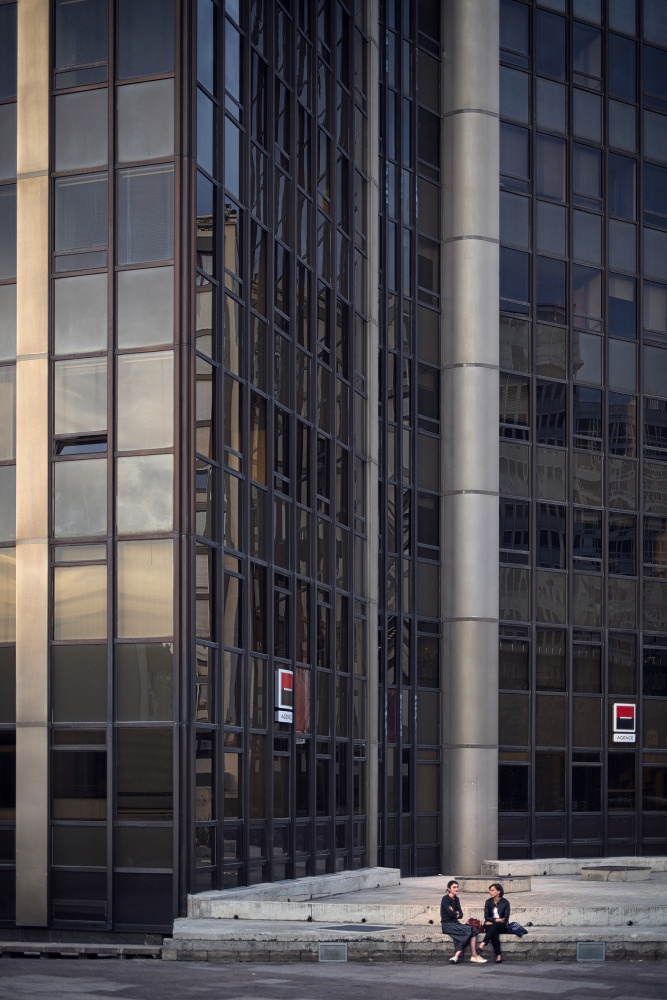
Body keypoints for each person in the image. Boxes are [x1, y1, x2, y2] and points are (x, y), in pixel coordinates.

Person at [440, 879, 487, 964]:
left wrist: (455, 913)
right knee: (470, 930)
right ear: (449, 889)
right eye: (454, 887)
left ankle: (467, 956)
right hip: (447, 924)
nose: (456, 889)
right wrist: (455, 913)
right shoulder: (445, 899)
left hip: (455, 923)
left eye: (457, 887)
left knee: (473, 929)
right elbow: (451, 914)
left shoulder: (456, 899)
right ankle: (473, 955)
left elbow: (461, 915)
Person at [478, 882, 510, 964]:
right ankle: (498, 955)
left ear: (498, 891)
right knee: (494, 932)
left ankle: (483, 943)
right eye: (490, 890)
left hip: (502, 926)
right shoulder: (488, 902)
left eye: (492, 890)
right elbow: (486, 917)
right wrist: (495, 920)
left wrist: (493, 921)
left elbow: (505, 918)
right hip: (491, 925)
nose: (490, 892)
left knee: (494, 926)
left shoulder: (505, 902)